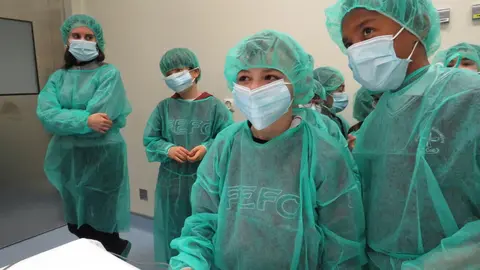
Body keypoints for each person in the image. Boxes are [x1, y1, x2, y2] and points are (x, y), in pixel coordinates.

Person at [169, 30, 366, 270]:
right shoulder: (226, 144)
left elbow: (342, 242)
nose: (254, 88)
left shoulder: (323, 153)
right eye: (244, 78)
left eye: (270, 77)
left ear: (297, 82)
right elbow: (203, 221)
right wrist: (190, 263)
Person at [326, 0, 480, 269]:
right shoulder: (375, 120)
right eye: (349, 43)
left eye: (367, 31)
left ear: (418, 24)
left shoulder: (468, 95)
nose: (357, 49)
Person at [36, 14, 132, 257]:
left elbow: (103, 117)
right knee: (77, 222)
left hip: (103, 157)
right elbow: (46, 114)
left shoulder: (109, 74)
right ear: (67, 41)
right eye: (76, 36)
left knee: (104, 225)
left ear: (98, 42)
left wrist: (68, 119)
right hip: (68, 158)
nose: (82, 41)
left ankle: (113, 255)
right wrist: (85, 120)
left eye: (89, 37)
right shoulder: (58, 77)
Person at [143, 48, 233, 263]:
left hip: (206, 182)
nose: (174, 76)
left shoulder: (214, 106)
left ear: (194, 72)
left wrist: (207, 147)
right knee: (172, 229)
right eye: (169, 72)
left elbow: (228, 138)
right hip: (171, 184)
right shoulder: (164, 108)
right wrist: (168, 149)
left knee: (204, 228)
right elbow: (151, 139)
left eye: (179, 70)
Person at [313, 67, 350, 138]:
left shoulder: (339, 121)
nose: (343, 94)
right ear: (321, 92)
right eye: (340, 91)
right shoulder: (313, 123)